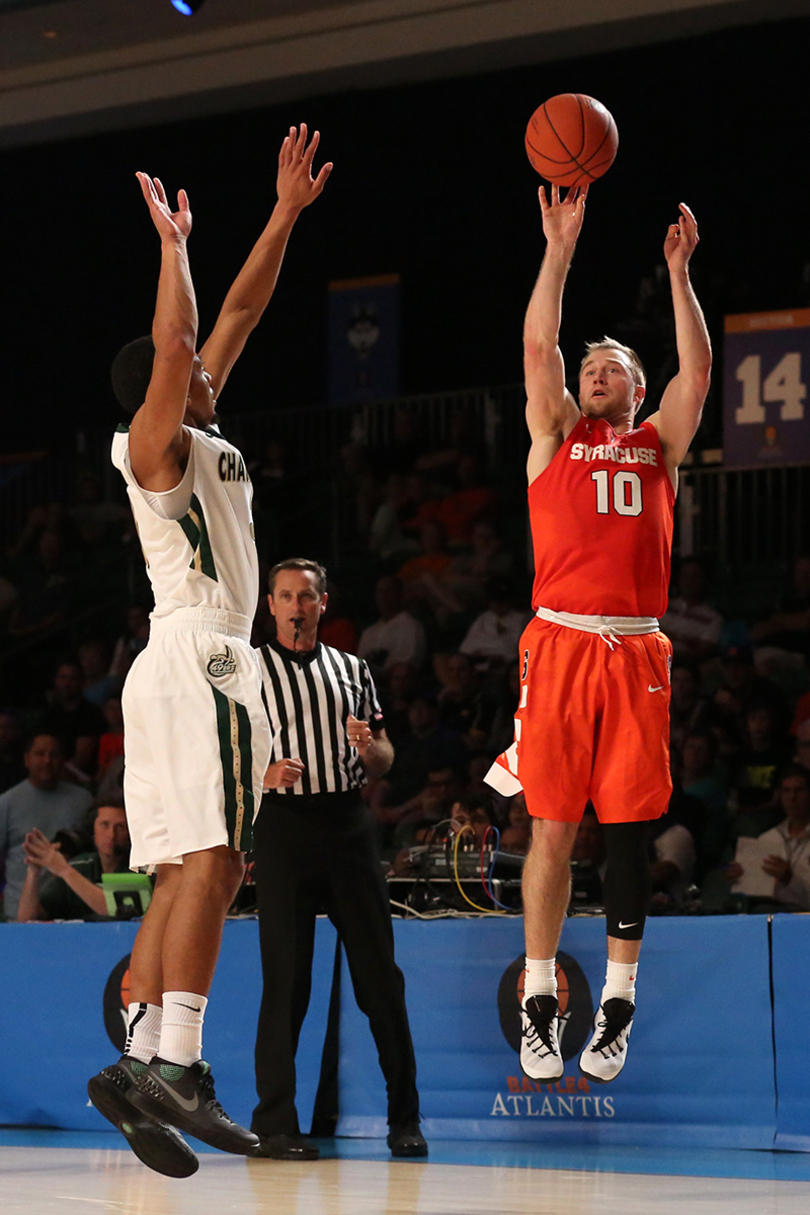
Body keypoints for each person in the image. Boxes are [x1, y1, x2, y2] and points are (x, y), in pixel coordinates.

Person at [87, 124, 331, 1180]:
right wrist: (171, 247)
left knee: (190, 864)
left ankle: (140, 1056)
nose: (210, 374)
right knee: (226, 859)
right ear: (164, 385)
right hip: (210, 658)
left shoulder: (200, 425)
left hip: (169, 666)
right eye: (189, 374)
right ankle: (181, 1061)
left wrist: (281, 216)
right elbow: (187, 336)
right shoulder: (157, 443)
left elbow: (232, 316)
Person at [486, 185, 711, 1084]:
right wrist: (558, 249)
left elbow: (699, 374)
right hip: (563, 643)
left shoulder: (659, 443)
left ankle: (616, 1003)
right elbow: (539, 343)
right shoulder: (555, 436)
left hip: (638, 649)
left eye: (613, 366)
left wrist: (679, 274)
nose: (595, 374)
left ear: (637, 387)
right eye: (591, 369)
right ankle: (541, 997)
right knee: (550, 824)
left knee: (625, 834)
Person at [252, 558, 426, 1161]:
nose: (296, 606)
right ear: (269, 605)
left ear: (323, 603)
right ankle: (276, 1125)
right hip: (282, 828)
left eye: (306, 596)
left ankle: (405, 1119)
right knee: (287, 984)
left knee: (381, 981)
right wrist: (262, 774)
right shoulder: (249, 670)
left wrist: (369, 746)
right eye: (284, 596)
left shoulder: (353, 669)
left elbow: (383, 758)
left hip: (348, 826)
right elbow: (217, 754)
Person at [0, 734, 93, 920]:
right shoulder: (6, 803)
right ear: (27, 759)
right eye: (40, 754)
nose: (47, 760)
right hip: (19, 913)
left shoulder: (83, 800)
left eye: (54, 754)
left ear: (63, 760)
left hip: (72, 913)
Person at [17, 798, 131, 922]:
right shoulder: (79, 866)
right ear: (93, 830)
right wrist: (33, 870)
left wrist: (63, 869)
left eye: (120, 827)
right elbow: (26, 920)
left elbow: (115, 912)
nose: (111, 835)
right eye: (104, 825)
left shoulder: (140, 869)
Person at [727, 766, 810, 909]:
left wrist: (790, 879)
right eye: (786, 791)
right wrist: (739, 879)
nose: (792, 797)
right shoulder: (768, 838)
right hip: (768, 913)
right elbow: (754, 891)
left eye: (799, 790)